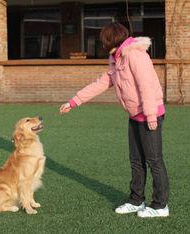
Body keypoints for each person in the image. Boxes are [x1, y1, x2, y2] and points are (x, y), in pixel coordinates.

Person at [60, 22, 169, 218]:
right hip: (135, 114)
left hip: (150, 113)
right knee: (136, 161)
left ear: (110, 40)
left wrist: (151, 115)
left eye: (103, 40)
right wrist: (74, 101)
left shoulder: (135, 55)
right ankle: (136, 200)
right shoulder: (117, 57)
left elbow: (146, 85)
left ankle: (160, 206)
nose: (101, 44)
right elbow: (102, 82)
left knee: (154, 160)